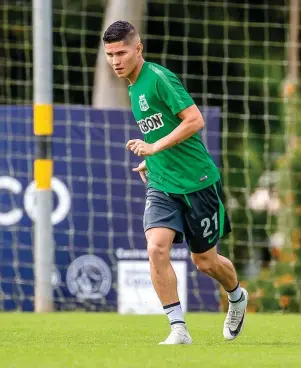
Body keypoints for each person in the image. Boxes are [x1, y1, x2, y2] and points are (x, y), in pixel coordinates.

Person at [102, 20, 248, 345]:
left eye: (121, 52)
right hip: (161, 182)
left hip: (198, 182)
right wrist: (153, 159)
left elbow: (195, 120)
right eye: (110, 54)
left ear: (137, 49)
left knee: (204, 261)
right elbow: (160, 130)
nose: (115, 60)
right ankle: (178, 329)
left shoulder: (158, 78)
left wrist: (154, 148)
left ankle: (237, 297)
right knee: (156, 248)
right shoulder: (131, 85)